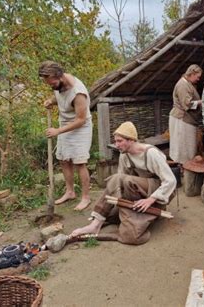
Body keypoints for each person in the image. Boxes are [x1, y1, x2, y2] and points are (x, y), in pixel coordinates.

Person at [71, 121, 176, 245]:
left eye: (119, 141)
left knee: (118, 179)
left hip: (159, 191)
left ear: (131, 140)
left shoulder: (150, 153)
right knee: (113, 216)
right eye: (116, 141)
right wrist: (120, 204)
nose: (117, 145)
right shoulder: (124, 155)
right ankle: (97, 223)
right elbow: (121, 186)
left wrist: (150, 200)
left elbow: (170, 180)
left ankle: (96, 224)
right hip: (139, 191)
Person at [39, 61, 92, 211]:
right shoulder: (58, 83)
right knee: (63, 159)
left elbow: (81, 120)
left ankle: (85, 197)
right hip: (64, 124)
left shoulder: (78, 93)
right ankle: (70, 192)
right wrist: (51, 101)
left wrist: (58, 131)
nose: (51, 86)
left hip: (80, 127)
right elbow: (60, 95)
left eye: (52, 83)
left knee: (79, 162)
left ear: (60, 76)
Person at [169, 64, 203, 165]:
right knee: (182, 146)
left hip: (186, 119)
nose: (198, 79)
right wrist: (201, 102)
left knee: (187, 146)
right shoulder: (182, 85)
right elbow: (186, 104)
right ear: (192, 74)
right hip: (181, 119)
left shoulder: (188, 84)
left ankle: (185, 165)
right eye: (198, 77)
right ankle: (182, 166)